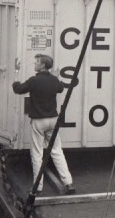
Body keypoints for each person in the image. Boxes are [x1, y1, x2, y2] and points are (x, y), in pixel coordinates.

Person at [12, 54, 76, 195]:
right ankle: (68, 183)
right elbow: (60, 88)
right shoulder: (53, 80)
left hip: (38, 121)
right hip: (53, 120)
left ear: (42, 65)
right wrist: (56, 76)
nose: (34, 64)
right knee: (57, 151)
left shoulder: (33, 81)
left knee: (37, 153)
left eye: (37, 62)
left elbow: (17, 89)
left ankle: (37, 186)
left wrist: (16, 72)